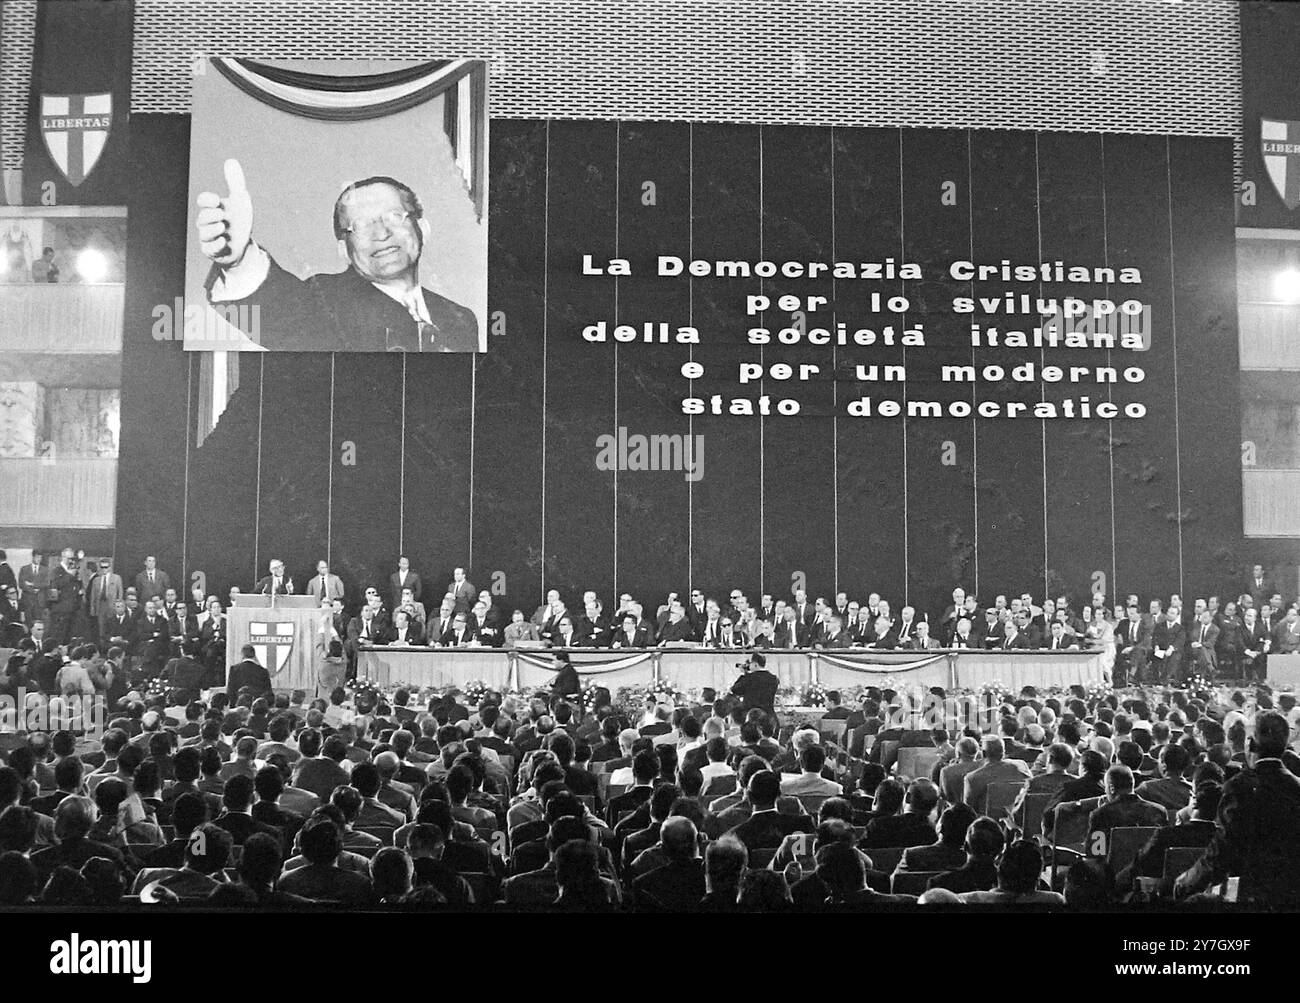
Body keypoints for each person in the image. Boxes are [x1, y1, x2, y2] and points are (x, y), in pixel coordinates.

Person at [197, 164, 479, 352]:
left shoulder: (462, 319)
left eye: (394, 216)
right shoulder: (324, 301)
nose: (381, 233)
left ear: (423, 229)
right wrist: (240, 260)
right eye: (361, 225)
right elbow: (285, 312)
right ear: (343, 250)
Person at [1175, 711, 1300, 906]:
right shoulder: (1297, 786)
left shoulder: (1239, 787)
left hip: (1249, 895)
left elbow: (1225, 847)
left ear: (1249, 743)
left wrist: (1188, 880)